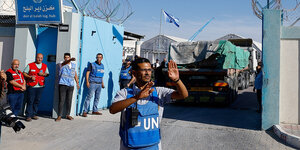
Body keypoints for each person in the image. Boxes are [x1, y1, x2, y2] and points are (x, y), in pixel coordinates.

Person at [109, 58, 188, 150]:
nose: (147, 73)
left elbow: (183, 95)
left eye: (149, 70)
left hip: (153, 147)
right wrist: (137, 97)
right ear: (134, 73)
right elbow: (113, 109)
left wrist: (177, 80)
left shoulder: (159, 92)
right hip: (129, 147)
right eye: (143, 70)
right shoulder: (125, 93)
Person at [23, 53, 49, 122]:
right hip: (32, 86)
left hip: (40, 86)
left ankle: (34, 114)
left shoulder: (44, 65)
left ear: (42, 59)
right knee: (30, 101)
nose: (39, 59)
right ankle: (28, 115)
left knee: (37, 101)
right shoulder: (30, 65)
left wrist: (43, 74)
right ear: (36, 58)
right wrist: (30, 77)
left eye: (41, 58)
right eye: (38, 58)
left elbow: (47, 74)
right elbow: (24, 73)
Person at [56, 53, 79, 122]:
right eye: (65, 57)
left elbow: (74, 73)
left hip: (71, 85)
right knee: (61, 100)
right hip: (63, 84)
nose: (67, 58)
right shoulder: (61, 63)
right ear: (64, 58)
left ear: (70, 57)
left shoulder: (73, 65)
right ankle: (59, 115)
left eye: (68, 57)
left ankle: (68, 114)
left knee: (69, 100)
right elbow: (64, 63)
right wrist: (71, 60)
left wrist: (77, 82)